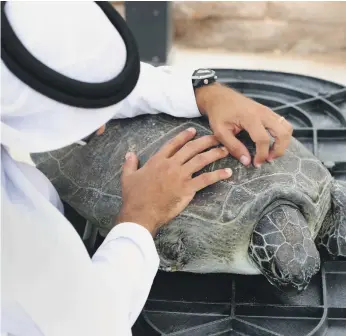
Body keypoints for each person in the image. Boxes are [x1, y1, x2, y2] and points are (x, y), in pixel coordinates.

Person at [1, 2, 293, 336]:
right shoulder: (14, 236)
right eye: (84, 120)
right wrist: (138, 219)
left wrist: (206, 92)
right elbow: (92, 325)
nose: (100, 128)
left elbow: (70, 77)